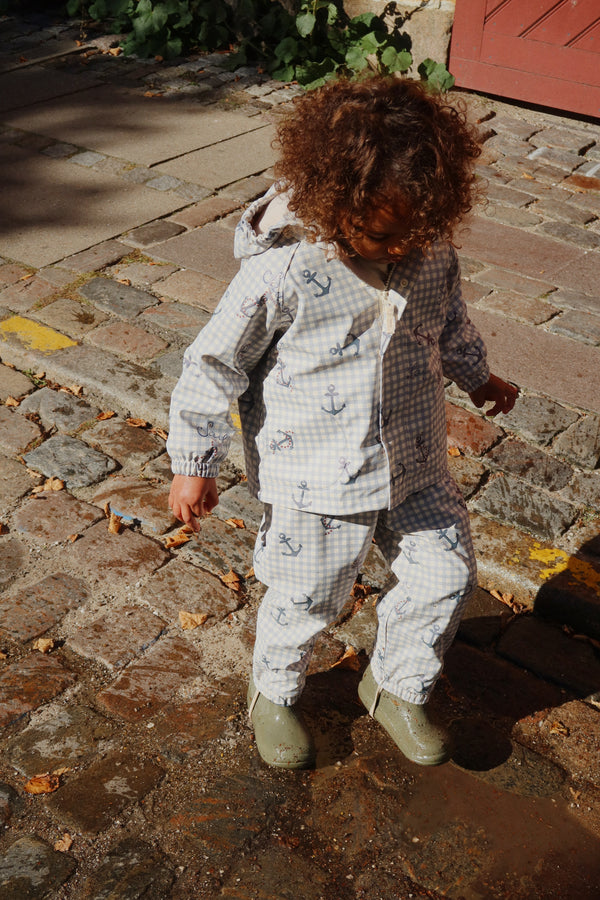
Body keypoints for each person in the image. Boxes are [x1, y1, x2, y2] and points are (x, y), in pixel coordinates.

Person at [167, 75, 518, 770]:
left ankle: (393, 684)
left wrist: (477, 374)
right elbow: (212, 365)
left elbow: (447, 321)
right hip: (316, 476)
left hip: (415, 460)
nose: (398, 250)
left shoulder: (429, 250)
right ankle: (273, 691)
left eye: (415, 234)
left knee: (446, 575)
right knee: (308, 598)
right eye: (382, 235)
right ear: (334, 201)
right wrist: (193, 462)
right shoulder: (285, 274)